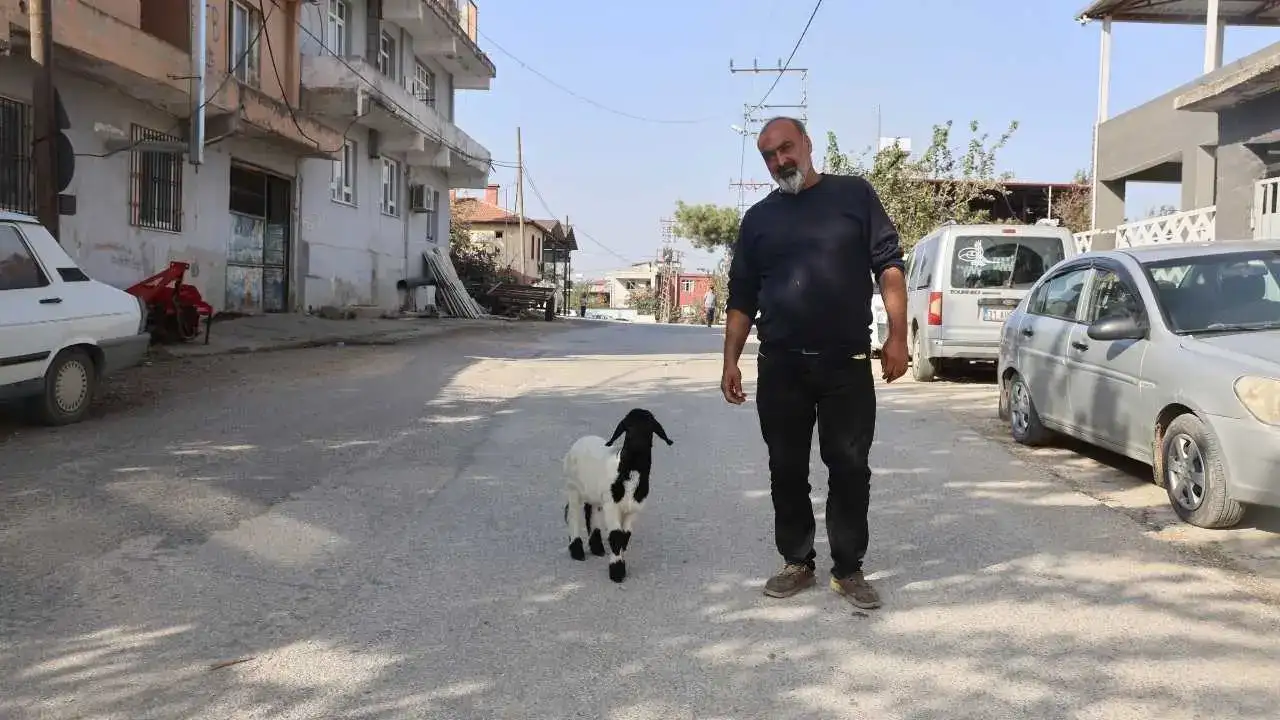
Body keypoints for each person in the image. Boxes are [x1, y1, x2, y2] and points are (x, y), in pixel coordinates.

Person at [720, 116, 909, 610]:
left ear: (807, 144)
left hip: (845, 364)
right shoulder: (758, 220)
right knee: (785, 467)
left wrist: (896, 335)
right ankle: (797, 561)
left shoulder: (854, 196)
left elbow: (888, 265)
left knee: (849, 468)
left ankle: (848, 569)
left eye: (786, 148)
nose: (780, 160)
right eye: (769, 155)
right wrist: (731, 361)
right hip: (781, 366)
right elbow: (741, 296)